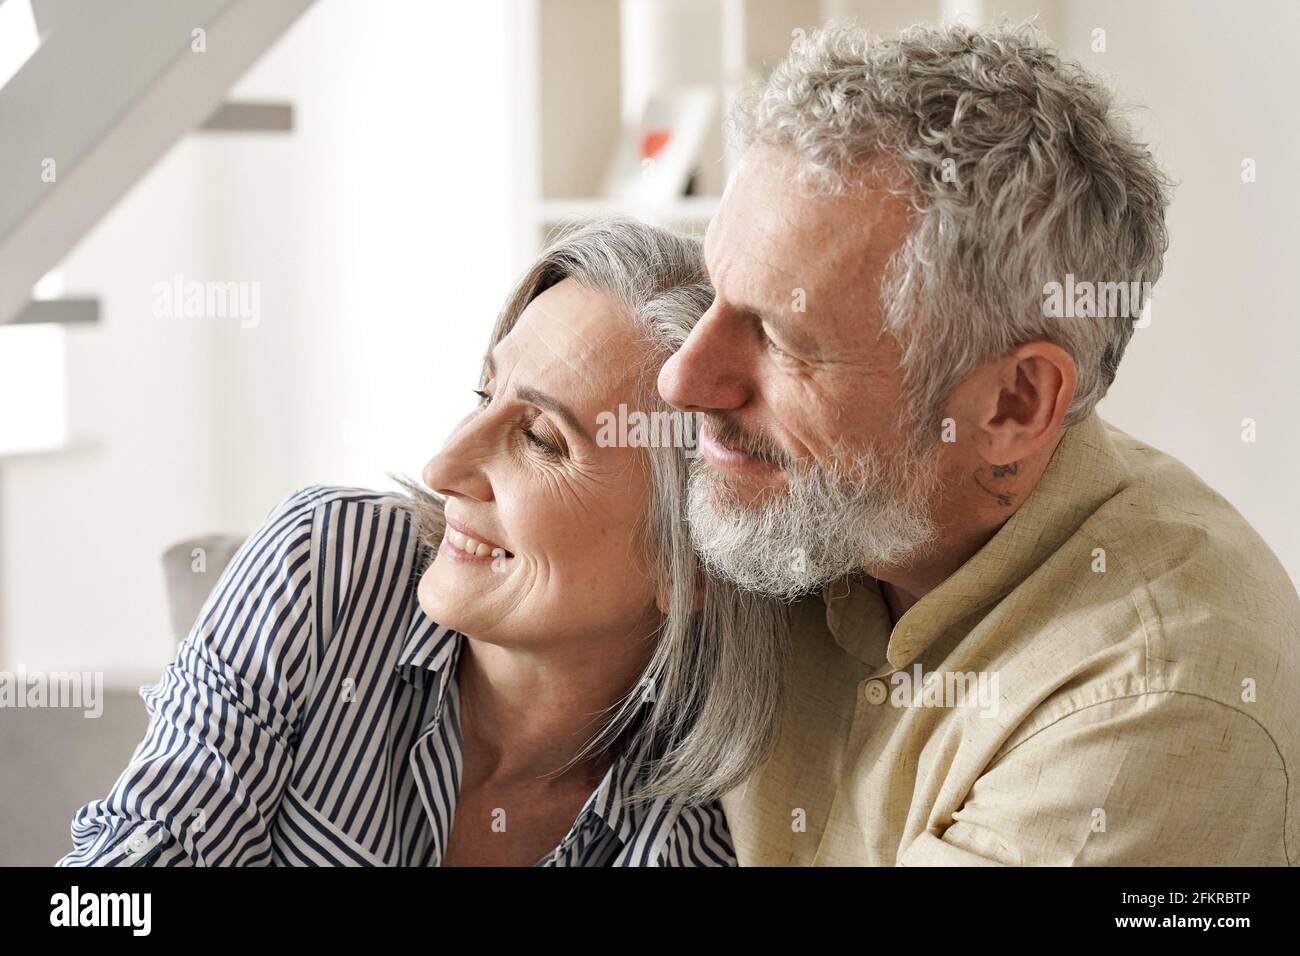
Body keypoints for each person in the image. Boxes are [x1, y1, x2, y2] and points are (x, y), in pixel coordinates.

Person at [658, 21, 1300, 865]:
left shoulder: (1154, 700)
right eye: (714, 294)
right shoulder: (801, 496)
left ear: (1014, 403)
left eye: (782, 338)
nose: (681, 380)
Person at [57, 219, 786, 867]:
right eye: (482, 395)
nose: (444, 468)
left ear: (691, 560)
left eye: (539, 439)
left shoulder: (690, 829)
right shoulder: (325, 563)